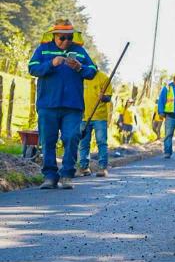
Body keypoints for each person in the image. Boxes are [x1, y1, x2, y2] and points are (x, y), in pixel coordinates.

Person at [28, 19, 97, 190]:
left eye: (69, 37)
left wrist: (80, 68)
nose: (66, 41)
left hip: (73, 107)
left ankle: (67, 175)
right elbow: (32, 68)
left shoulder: (79, 51)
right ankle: (50, 177)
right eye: (62, 38)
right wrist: (51, 64)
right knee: (48, 141)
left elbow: (93, 71)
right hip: (47, 105)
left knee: (72, 137)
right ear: (54, 36)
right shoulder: (43, 49)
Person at [78, 70, 112, 177]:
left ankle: (102, 168)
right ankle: (84, 167)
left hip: (99, 117)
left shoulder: (104, 78)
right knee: (83, 143)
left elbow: (108, 97)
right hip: (84, 116)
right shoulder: (81, 77)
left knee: (101, 142)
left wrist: (103, 97)